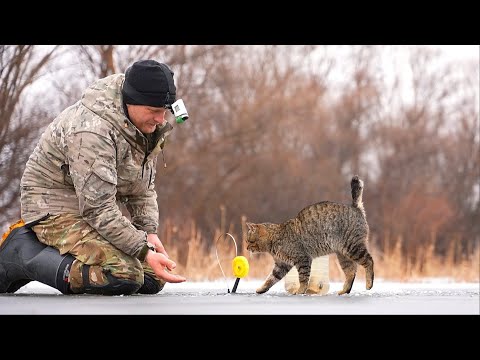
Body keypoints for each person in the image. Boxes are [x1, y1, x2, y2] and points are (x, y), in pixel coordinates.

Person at [0, 59, 187, 295]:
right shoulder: (92, 131)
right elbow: (97, 209)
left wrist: (148, 233)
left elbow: (142, 188)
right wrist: (143, 250)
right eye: (154, 112)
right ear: (133, 101)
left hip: (91, 208)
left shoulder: (141, 126)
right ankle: (22, 253)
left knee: (151, 279)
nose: (161, 119)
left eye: (164, 112)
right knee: (124, 275)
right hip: (53, 208)